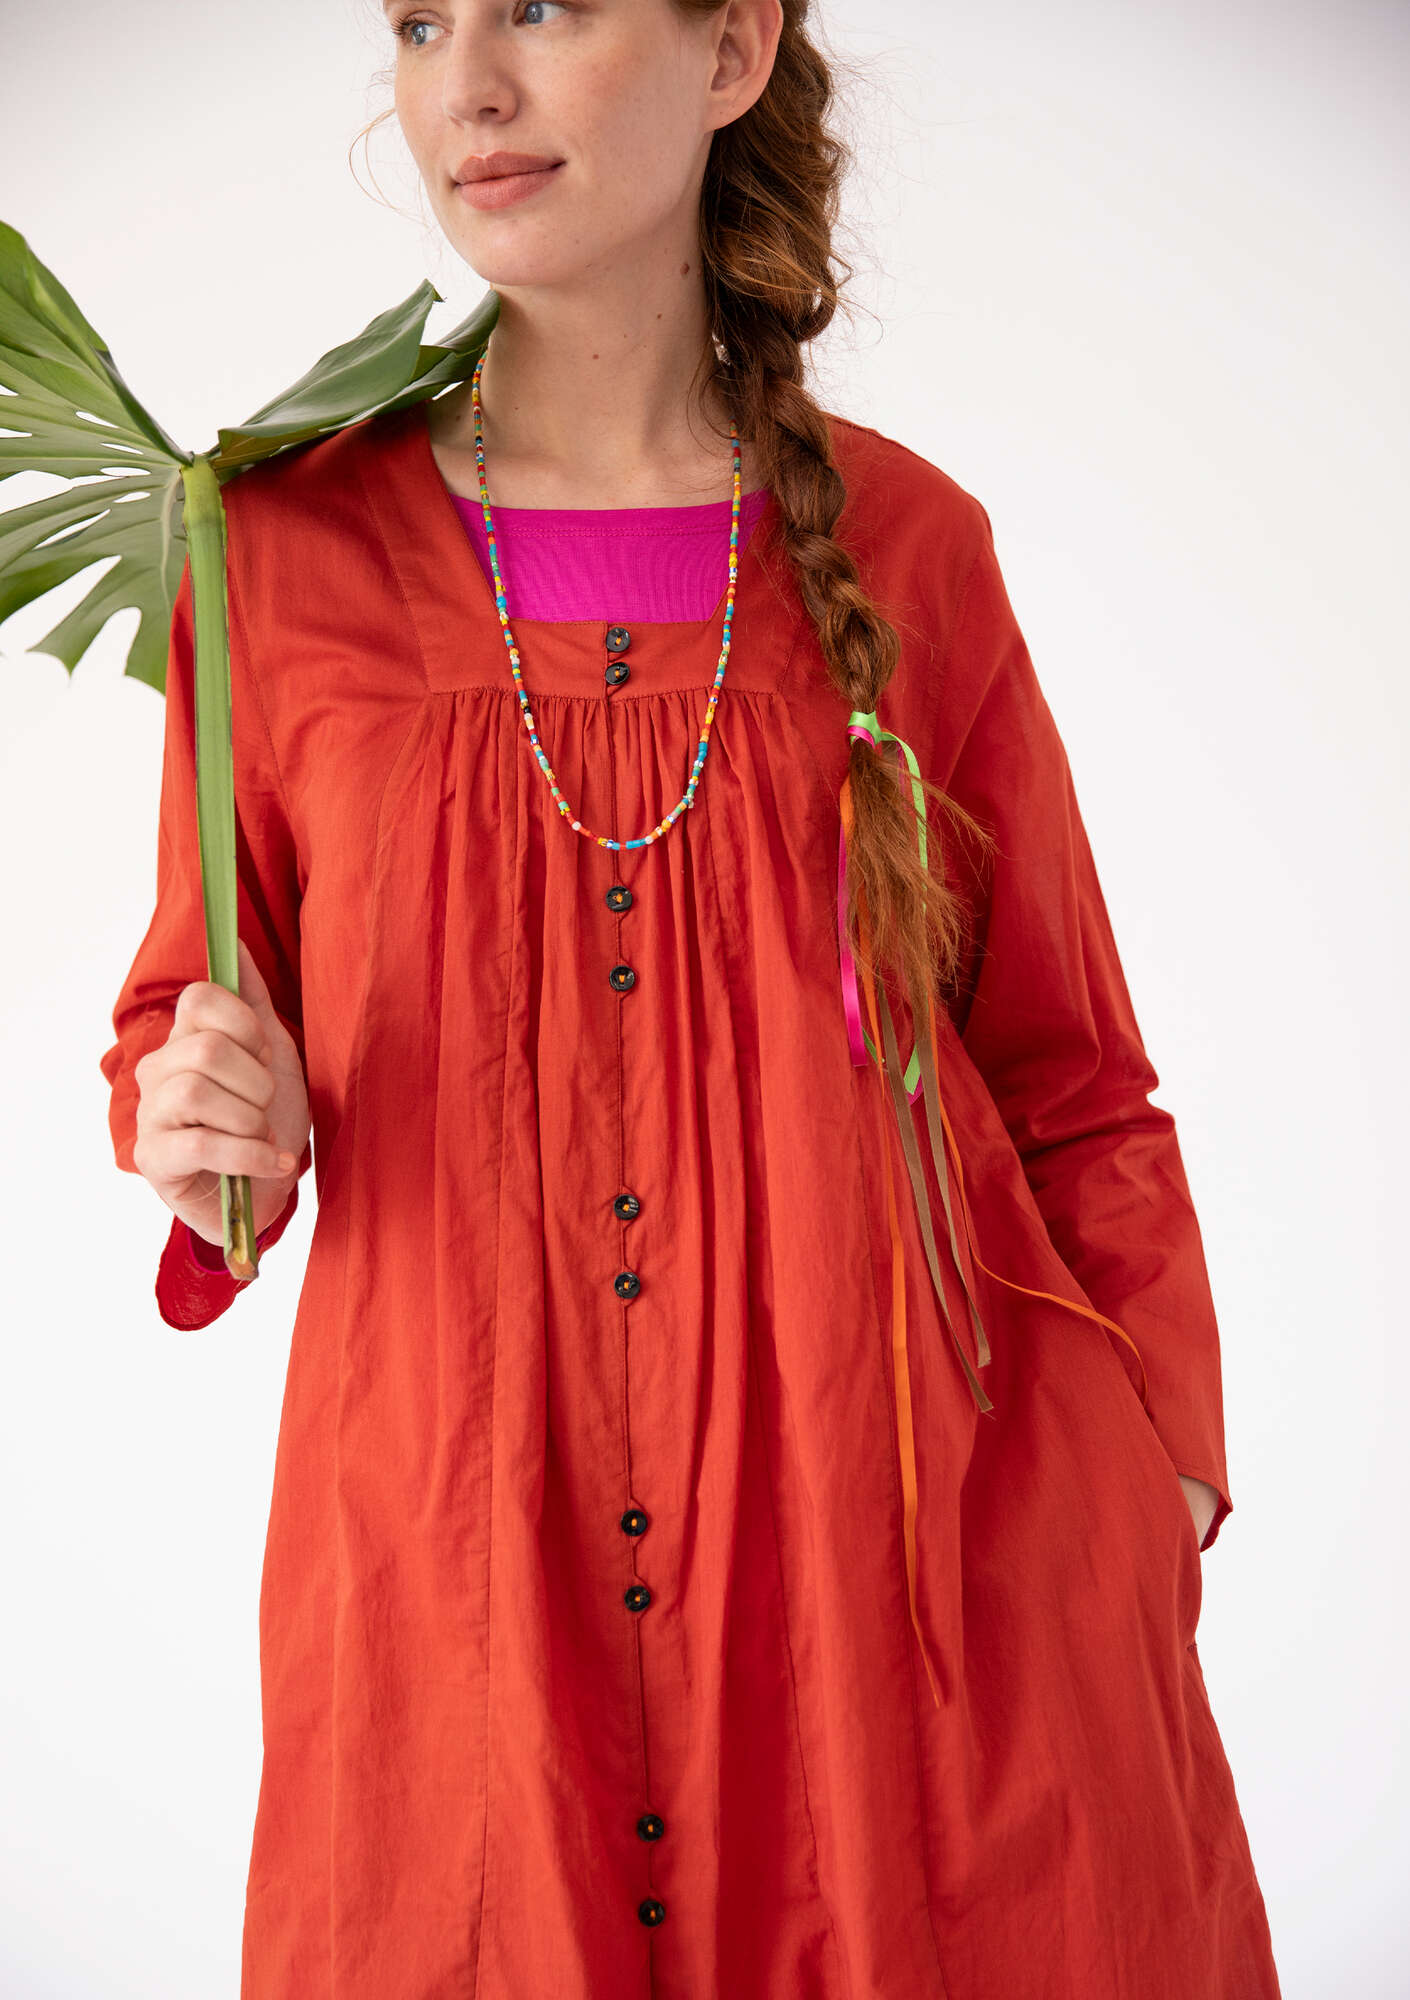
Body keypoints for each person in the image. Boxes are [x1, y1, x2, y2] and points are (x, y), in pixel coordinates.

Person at [99, 2, 1282, 1993]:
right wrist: (204, 1118)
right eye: (418, 22)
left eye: (541, 7)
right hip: (467, 1582)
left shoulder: (912, 551)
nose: (467, 84)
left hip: (907, 1610)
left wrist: (1155, 1470)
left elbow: (1071, 1080)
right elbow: (188, 1025)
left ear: (731, 49)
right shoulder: (273, 549)